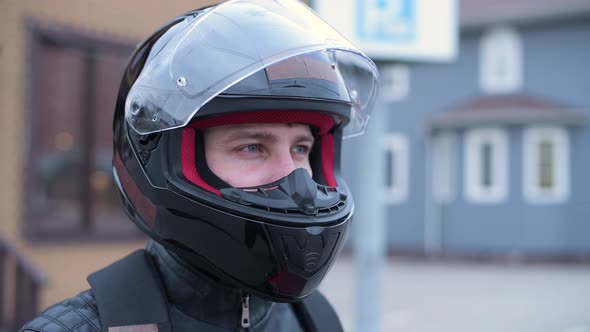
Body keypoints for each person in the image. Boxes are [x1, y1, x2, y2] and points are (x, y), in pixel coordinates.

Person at [20, 0, 378, 331]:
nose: (294, 178)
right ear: (171, 161)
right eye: (252, 147)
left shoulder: (317, 320)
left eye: (301, 148)